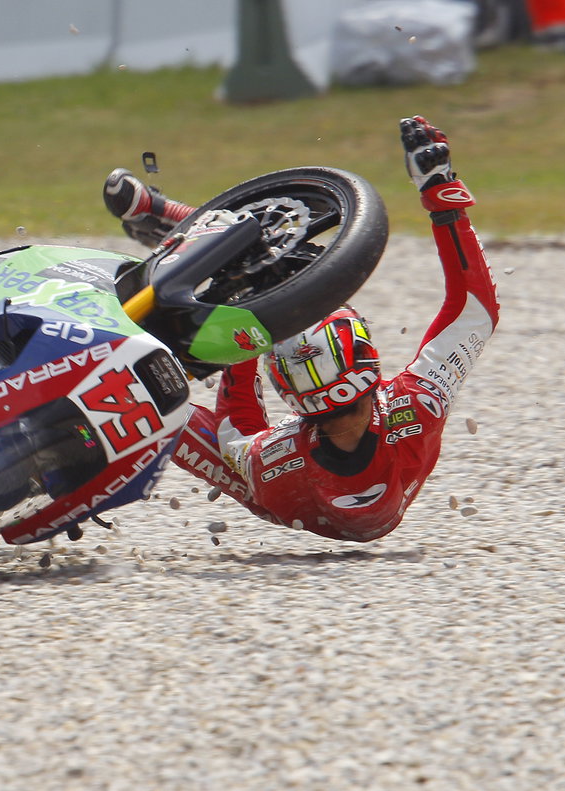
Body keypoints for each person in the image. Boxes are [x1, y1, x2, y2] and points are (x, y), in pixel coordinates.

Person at [102, 116, 499, 542]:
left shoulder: (272, 460)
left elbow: (237, 420)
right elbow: (476, 309)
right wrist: (442, 195)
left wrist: (243, 327)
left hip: (278, 500)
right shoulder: (417, 405)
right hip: (339, 488)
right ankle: (167, 220)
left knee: (150, 399)